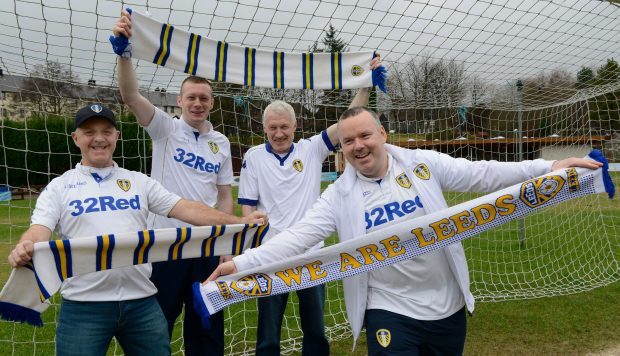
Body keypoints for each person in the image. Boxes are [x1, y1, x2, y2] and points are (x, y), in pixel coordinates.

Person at [209, 106, 603, 355]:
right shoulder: (338, 195)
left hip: (446, 304)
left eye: (365, 136)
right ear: (341, 149)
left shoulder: (422, 164)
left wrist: (544, 169)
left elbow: (482, 174)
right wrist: (242, 264)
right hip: (388, 308)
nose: (358, 146)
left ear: (382, 135)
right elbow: (300, 237)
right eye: (349, 141)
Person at [7, 104, 266, 356]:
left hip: (141, 302)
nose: (99, 139)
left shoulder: (138, 182)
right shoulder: (59, 187)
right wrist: (26, 245)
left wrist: (240, 223)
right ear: (76, 138)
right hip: (84, 305)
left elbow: (188, 209)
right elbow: (39, 230)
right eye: (89, 132)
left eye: (106, 132)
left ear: (117, 137)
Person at [238, 61, 380, 355]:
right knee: (268, 332)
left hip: (311, 253)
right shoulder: (253, 157)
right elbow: (247, 210)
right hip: (272, 256)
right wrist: (250, 247)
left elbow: (346, 123)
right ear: (264, 128)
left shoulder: (312, 148)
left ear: (295, 127)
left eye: (285, 127)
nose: (279, 134)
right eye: (273, 128)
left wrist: (365, 84)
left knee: (315, 329)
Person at [113, 10, 233, 355]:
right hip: (164, 244)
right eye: (191, 97)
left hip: (206, 246)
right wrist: (124, 54)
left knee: (207, 324)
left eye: (204, 98)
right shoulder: (166, 128)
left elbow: (224, 195)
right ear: (179, 101)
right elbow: (131, 97)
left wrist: (224, 241)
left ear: (211, 104)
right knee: (156, 325)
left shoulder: (220, 143)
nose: (197, 103)